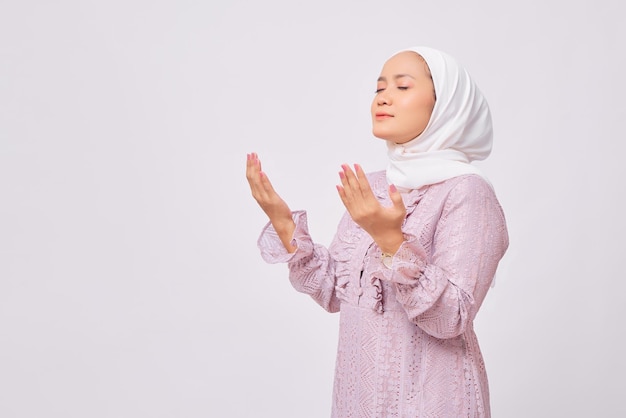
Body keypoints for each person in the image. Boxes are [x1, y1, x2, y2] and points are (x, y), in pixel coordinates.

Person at [246, 46, 509, 418]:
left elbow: (452, 318)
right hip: (359, 399)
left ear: (446, 105)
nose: (383, 97)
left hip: (432, 399)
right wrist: (285, 224)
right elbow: (334, 292)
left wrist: (390, 240)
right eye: (379, 87)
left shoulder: (467, 191)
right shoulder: (374, 188)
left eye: (402, 87)